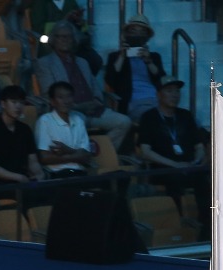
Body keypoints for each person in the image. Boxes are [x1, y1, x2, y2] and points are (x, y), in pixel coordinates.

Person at [36, 21, 131, 151]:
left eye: (68, 36)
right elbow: (48, 93)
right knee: (77, 123)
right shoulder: (45, 63)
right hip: (70, 111)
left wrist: (97, 101)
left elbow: (95, 87)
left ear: (74, 40)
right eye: (60, 36)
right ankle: (83, 155)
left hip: (94, 110)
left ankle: (102, 154)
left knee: (124, 122)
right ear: (53, 40)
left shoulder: (82, 62)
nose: (64, 40)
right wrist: (77, 107)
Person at [137, 76, 211, 237]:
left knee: (204, 180)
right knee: (173, 178)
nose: (174, 95)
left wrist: (196, 161)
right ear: (158, 94)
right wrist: (173, 164)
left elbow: (199, 146)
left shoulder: (185, 115)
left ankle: (206, 226)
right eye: (169, 91)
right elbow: (145, 151)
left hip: (188, 165)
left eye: (177, 91)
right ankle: (179, 225)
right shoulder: (149, 117)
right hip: (162, 168)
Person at [105, 15, 167, 123]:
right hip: (132, 102)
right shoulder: (115, 57)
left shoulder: (154, 57)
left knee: (183, 119)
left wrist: (149, 61)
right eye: (133, 31)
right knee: (156, 119)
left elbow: (162, 80)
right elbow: (110, 80)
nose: (137, 35)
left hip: (156, 100)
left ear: (147, 37)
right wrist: (122, 56)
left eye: (142, 32)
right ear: (126, 34)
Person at [0, 85, 44, 187]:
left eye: (21, 103)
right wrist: (17, 177)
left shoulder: (25, 129)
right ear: (3, 104)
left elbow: (32, 160)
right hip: (1, 183)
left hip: (24, 181)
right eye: (14, 102)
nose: (18, 107)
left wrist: (39, 174)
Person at [34, 81, 92, 178]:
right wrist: (76, 156)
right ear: (52, 101)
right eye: (61, 97)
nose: (66, 101)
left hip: (80, 173)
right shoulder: (45, 121)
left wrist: (66, 150)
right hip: (57, 174)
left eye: (69, 96)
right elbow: (44, 158)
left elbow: (86, 156)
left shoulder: (78, 120)